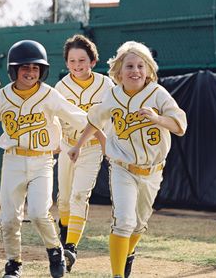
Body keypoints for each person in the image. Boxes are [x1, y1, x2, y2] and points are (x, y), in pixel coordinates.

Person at [0, 40, 89, 278]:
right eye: (24, 67)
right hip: (13, 159)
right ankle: (13, 263)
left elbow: (82, 119)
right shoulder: (2, 97)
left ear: (42, 70)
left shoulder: (48, 95)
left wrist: (103, 138)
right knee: (9, 217)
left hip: (42, 161)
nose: (30, 72)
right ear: (13, 70)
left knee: (38, 212)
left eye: (35, 68)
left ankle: (55, 251)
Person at [68, 41, 187, 278]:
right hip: (122, 168)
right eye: (129, 66)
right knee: (123, 220)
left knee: (139, 224)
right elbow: (94, 120)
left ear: (149, 70)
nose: (135, 71)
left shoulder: (157, 94)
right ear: (119, 72)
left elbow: (180, 126)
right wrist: (78, 146)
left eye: (140, 66)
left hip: (152, 171)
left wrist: (158, 119)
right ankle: (117, 275)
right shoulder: (112, 96)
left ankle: (127, 253)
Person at [54, 34, 115, 272]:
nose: (77, 65)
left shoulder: (105, 85)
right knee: (64, 199)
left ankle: (71, 247)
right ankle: (63, 237)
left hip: (90, 149)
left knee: (80, 195)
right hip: (67, 146)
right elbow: (56, 118)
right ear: (66, 62)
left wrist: (106, 145)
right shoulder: (61, 86)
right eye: (72, 61)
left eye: (82, 60)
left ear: (92, 60)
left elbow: (107, 118)